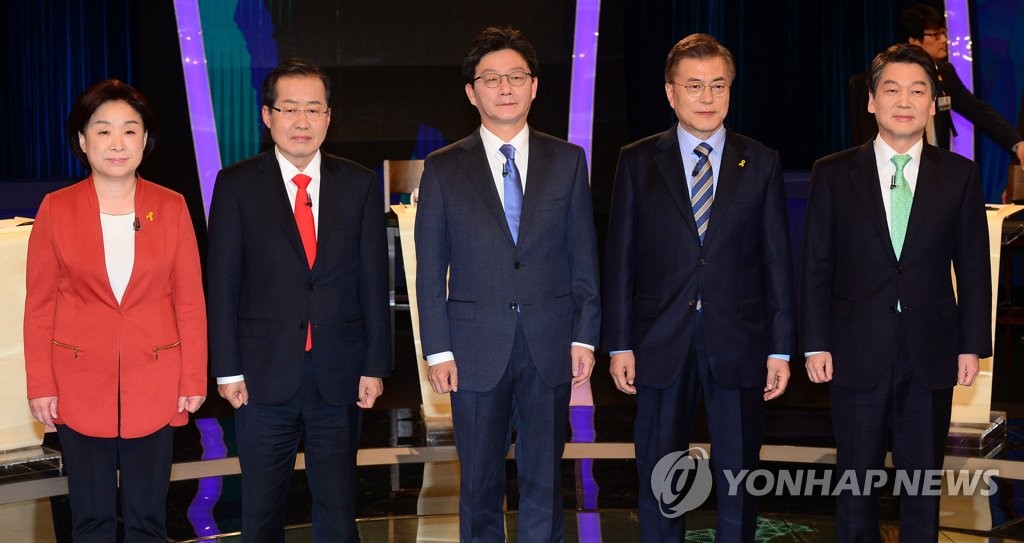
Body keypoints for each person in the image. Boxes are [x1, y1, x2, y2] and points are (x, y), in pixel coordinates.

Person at [602, 33, 795, 542]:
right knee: (660, 479)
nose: (707, 97)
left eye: (718, 85)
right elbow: (620, 261)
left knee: (738, 481)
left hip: (740, 341)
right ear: (670, 93)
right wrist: (619, 343)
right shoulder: (637, 160)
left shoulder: (762, 161)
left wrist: (780, 349)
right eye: (694, 86)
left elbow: (777, 262)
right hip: (658, 342)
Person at [415, 26, 601, 542]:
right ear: (471, 92)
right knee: (479, 485)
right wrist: (438, 351)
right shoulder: (443, 168)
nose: (505, 88)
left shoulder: (568, 161)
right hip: (473, 350)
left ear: (534, 86)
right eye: (491, 78)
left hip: (549, 343)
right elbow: (429, 271)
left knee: (545, 482)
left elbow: (583, 259)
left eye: (516, 77)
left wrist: (584, 337)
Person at [802, 43, 991, 542]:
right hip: (854, 349)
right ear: (871, 100)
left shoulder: (959, 175)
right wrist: (815, 343)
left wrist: (971, 345)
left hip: (931, 352)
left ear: (932, 103)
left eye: (917, 90)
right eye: (891, 89)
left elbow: (973, 268)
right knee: (855, 484)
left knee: (922, 485)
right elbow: (817, 266)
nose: (904, 101)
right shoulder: (833, 172)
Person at [207, 58, 390, 542]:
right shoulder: (236, 184)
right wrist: (227, 370)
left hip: (340, 373)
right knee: (260, 511)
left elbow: (374, 283)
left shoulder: (359, 184)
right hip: (262, 374)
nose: (302, 121)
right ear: (267, 116)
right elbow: (222, 286)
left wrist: (375, 365)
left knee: (338, 508)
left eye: (314, 108)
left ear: (329, 117)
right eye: (289, 109)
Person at [24, 79, 207, 542]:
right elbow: (40, 305)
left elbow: (189, 300)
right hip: (78, 383)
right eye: (103, 130)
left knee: (149, 519)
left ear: (145, 140)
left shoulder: (171, 206)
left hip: (156, 383)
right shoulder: (56, 209)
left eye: (130, 130)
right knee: (90, 520)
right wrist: (40, 383)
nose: (117, 143)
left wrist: (192, 378)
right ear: (83, 140)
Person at [849, 5, 1024, 178]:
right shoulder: (882, 77)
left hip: (934, 167)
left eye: (943, 33)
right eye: (935, 34)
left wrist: (1017, 143)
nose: (943, 40)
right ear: (914, 40)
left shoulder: (944, 72)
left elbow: (978, 110)